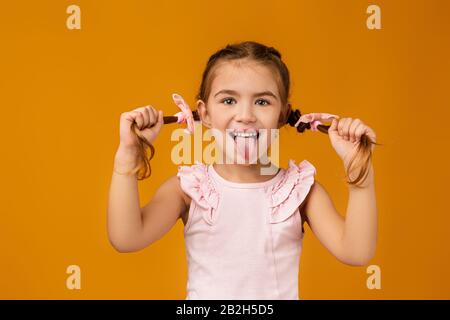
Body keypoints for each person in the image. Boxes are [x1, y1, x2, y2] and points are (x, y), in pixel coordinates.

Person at [107, 41, 378, 300]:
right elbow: (126, 238)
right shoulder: (188, 189)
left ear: (283, 115)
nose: (246, 115)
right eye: (228, 101)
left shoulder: (299, 192)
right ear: (205, 113)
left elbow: (356, 252)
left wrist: (360, 173)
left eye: (262, 102)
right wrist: (127, 161)